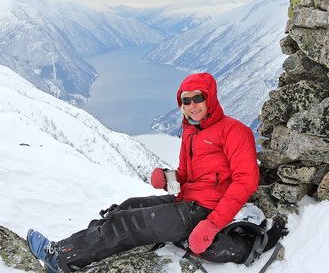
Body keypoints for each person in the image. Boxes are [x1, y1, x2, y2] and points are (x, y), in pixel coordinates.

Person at [26, 72, 260, 273]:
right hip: (186, 201)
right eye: (185, 101)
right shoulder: (191, 131)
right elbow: (188, 176)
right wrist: (169, 178)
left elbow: (246, 182)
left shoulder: (235, 131)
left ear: (210, 98)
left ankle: (60, 256)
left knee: (124, 223)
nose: (192, 106)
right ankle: (79, 250)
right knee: (124, 208)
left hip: (205, 212)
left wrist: (211, 224)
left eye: (198, 98)